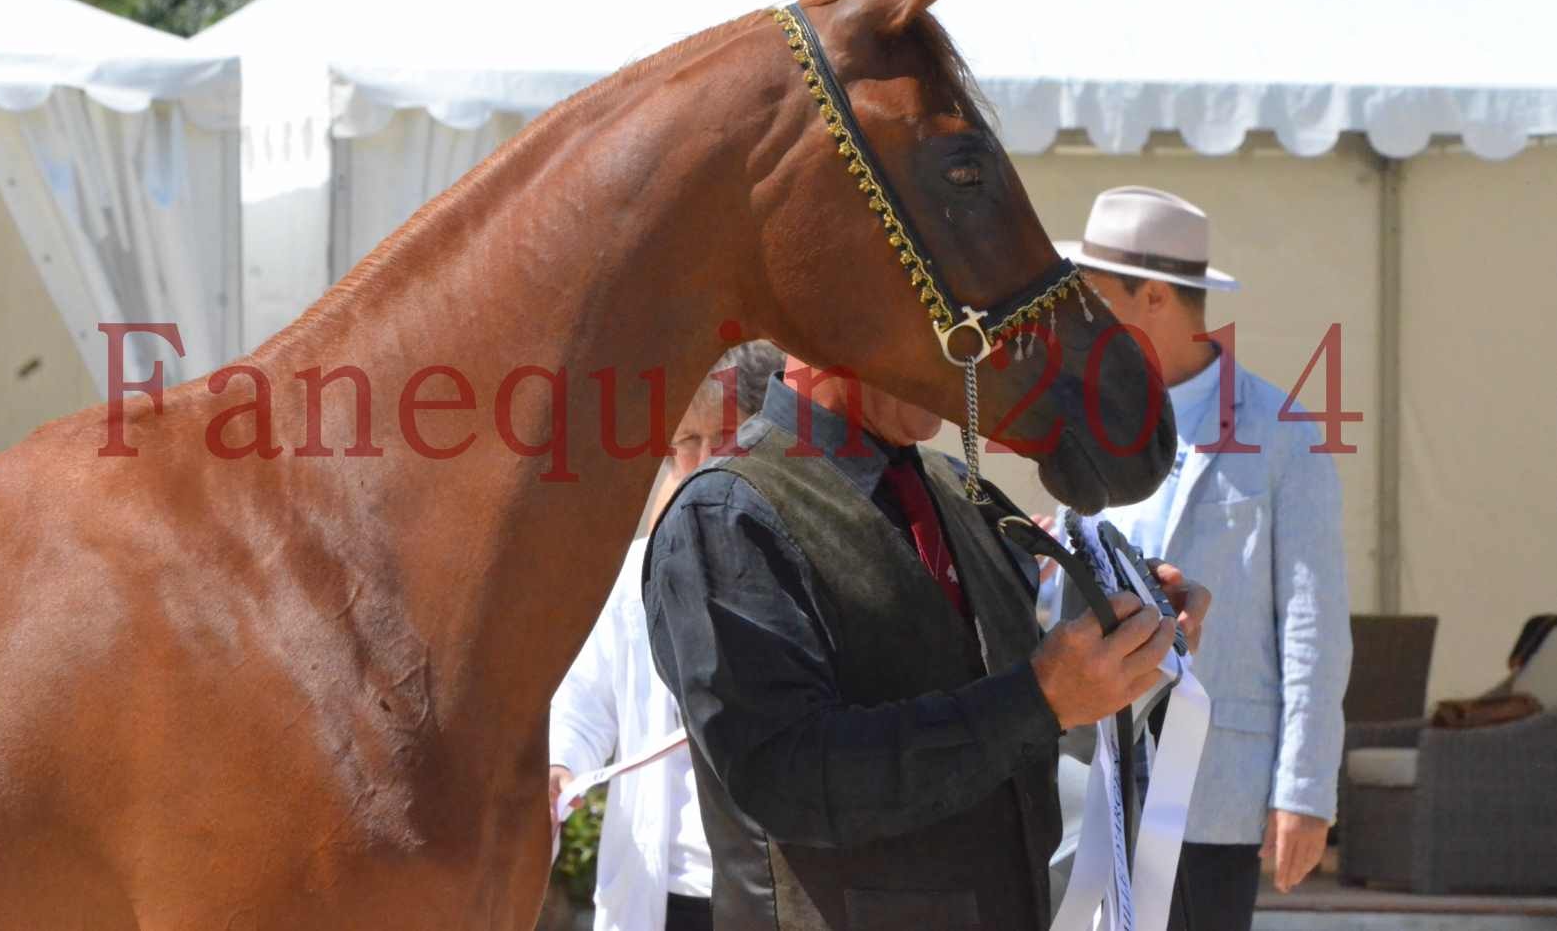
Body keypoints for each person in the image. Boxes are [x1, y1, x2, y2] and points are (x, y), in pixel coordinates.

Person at [643, 360, 1210, 931]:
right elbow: (788, 780)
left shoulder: (959, 490)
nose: (960, 360)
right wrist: (1040, 697)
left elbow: (1020, 721)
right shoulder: (725, 512)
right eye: (930, 322)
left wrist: (1127, 641)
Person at [1055, 186, 1352, 930]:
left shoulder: (1283, 435)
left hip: (1213, 790)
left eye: (1093, 299)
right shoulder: (1081, 424)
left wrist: (1305, 790)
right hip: (1085, 783)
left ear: (1152, 297)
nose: (1079, 322)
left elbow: (1312, 626)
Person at [549, 341, 783, 931]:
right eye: (686, 443)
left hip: (777, 895)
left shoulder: (802, 570)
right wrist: (559, 766)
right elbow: (583, 705)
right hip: (660, 895)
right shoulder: (631, 575)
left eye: (724, 437)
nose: (702, 463)